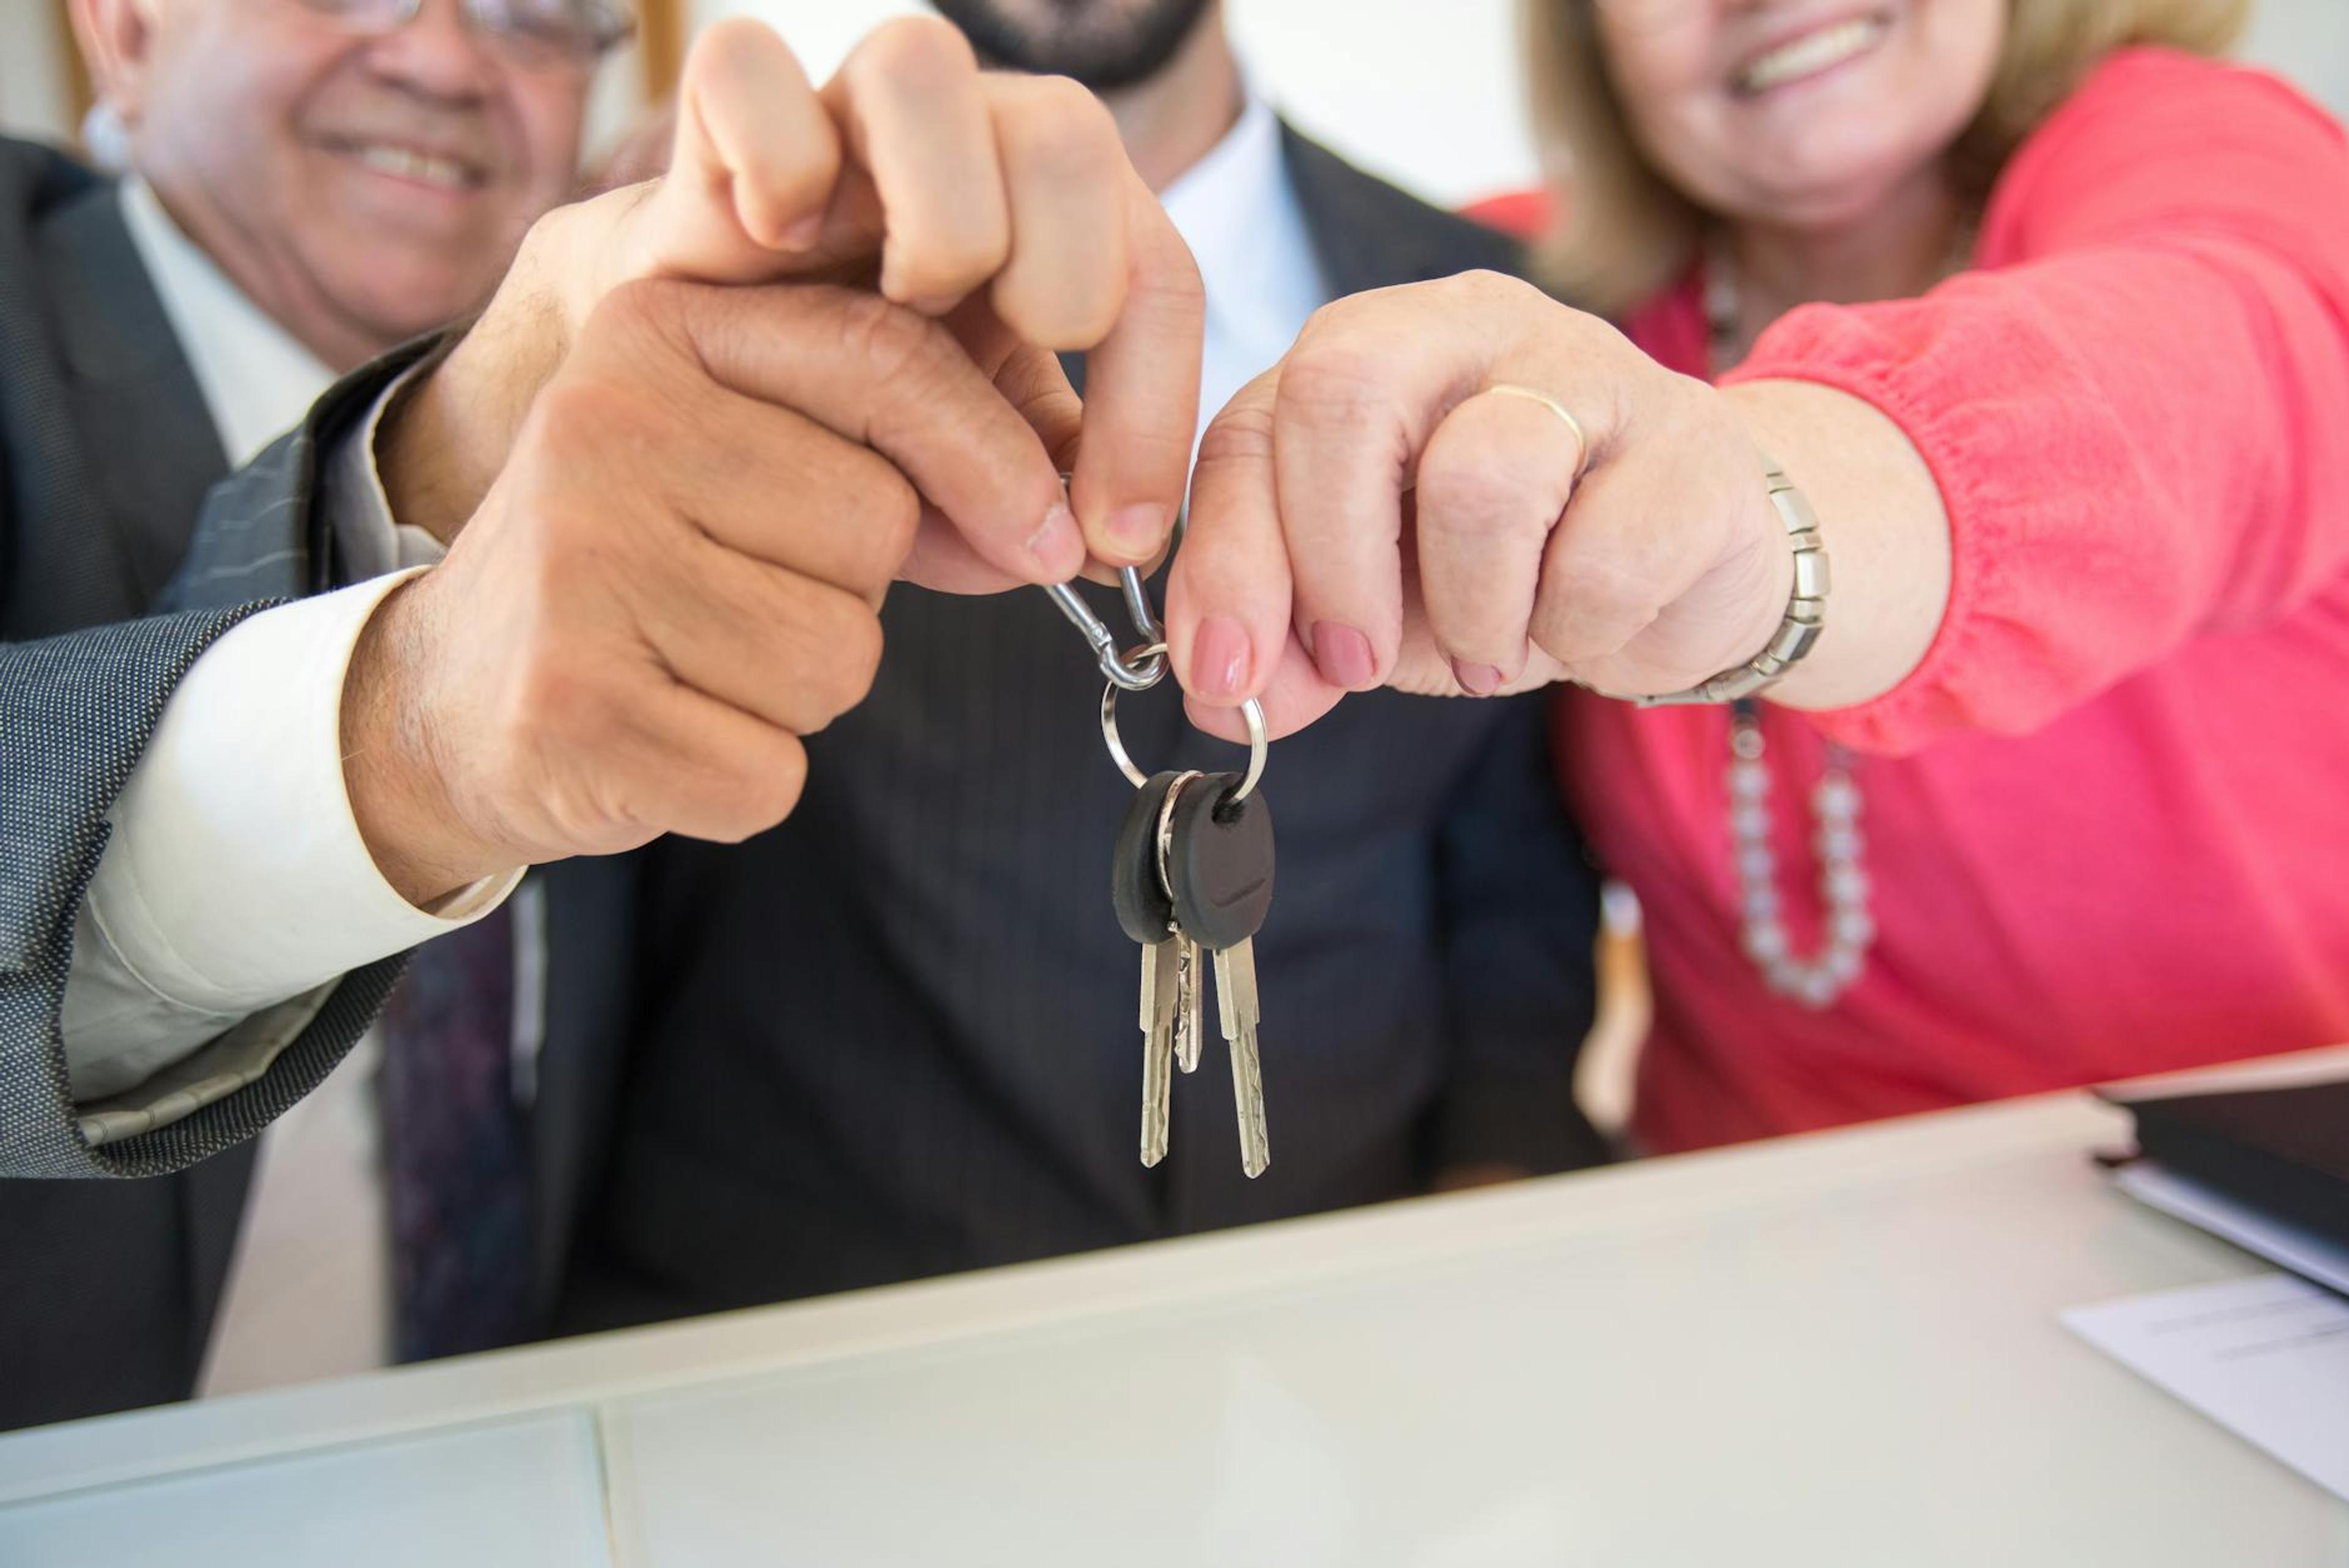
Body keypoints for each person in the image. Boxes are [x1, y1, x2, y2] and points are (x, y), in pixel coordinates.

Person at [3, 7, 1201, 1429]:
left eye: (534, 9)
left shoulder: (692, 421)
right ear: (127, 27)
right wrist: (399, 719)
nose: (444, 61)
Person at [360, 0, 1608, 1339]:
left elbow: (1514, 887)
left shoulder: (1505, 317)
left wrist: (1499, 1210)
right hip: (782, 1368)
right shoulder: (712, 289)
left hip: (1338, 1363)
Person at [1165, 0, 2349, 1152]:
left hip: (2233, 1233)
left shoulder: (2204, 152)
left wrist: (1750, 502)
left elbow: (2205, 367)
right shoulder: (1548, 307)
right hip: (1726, 1258)